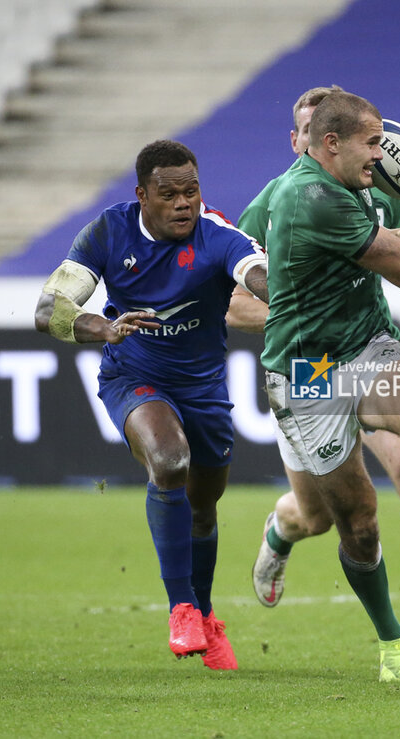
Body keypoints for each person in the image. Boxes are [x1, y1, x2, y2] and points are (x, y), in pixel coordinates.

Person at [228, 85, 400, 666]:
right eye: (306, 129)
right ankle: (281, 530)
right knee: (328, 518)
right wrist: (297, 308)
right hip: (308, 369)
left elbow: (392, 249)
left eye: (378, 141)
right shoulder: (275, 204)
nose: (376, 153)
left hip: (366, 352)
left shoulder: (369, 182)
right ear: (306, 142)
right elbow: (231, 303)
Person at [34, 139, 269, 671]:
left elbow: (255, 272)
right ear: (143, 195)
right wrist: (105, 327)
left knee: (204, 505)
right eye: (170, 194)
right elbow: (49, 309)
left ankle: (207, 617)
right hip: (134, 376)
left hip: (204, 387)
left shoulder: (217, 233)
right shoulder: (108, 231)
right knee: (169, 461)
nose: (184, 203)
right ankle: (181, 607)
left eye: (192, 191)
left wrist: (282, 292)